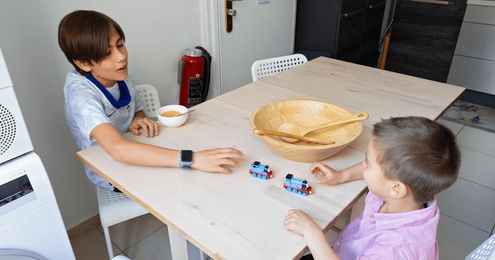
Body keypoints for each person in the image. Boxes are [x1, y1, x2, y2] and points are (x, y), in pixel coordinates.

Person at [58, 10, 243, 191]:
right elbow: (117, 149)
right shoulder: (80, 96)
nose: (121, 57)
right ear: (83, 63)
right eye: (107, 53)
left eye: (120, 44)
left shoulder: (119, 74)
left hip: (136, 147)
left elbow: (135, 108)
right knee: (191, 178)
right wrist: (192, 158)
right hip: (111, 172)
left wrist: (138, 119)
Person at [284, 116, 460, 260]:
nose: (363, 164)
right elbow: (383, 171)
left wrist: (311, 232)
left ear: (397, 189)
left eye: (368, 164)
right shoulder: (404, 195)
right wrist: (341, 176)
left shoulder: (396, 249)